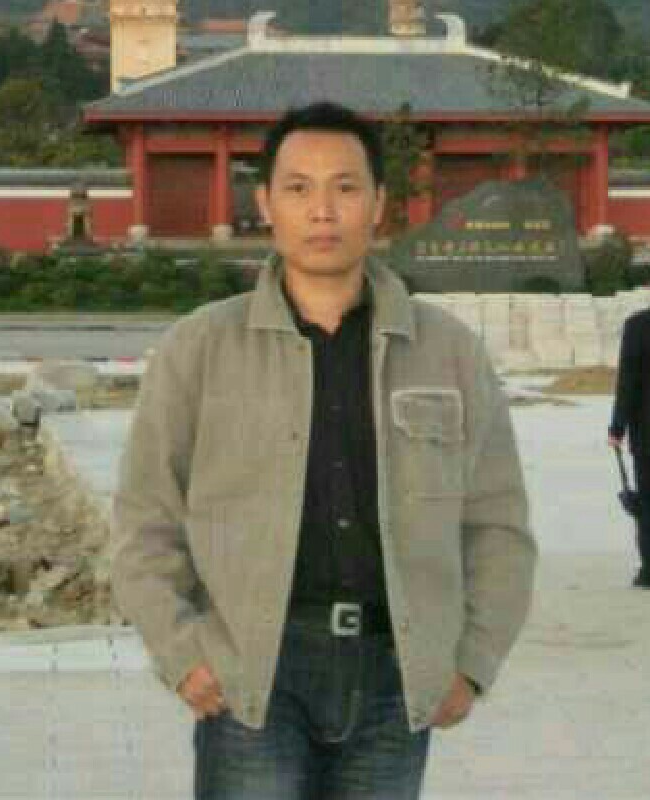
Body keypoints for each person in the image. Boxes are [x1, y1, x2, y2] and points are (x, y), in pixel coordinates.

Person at [112, 102, 537, 799]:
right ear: (265, 204)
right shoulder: (201, 347)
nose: (322, 211)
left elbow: (498, 525)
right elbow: (144, 519)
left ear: (379, 204)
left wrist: (474, 660)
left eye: (345, 187)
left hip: (395, 678)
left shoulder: (448, 351)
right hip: (252, 675)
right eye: (298, 188)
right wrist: (181, 651)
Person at [609, 307, 650, 588]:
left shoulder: (637, 325)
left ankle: (649, 569)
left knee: (647, 501)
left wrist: (617, 428)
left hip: (646, 432)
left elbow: (628, 380)